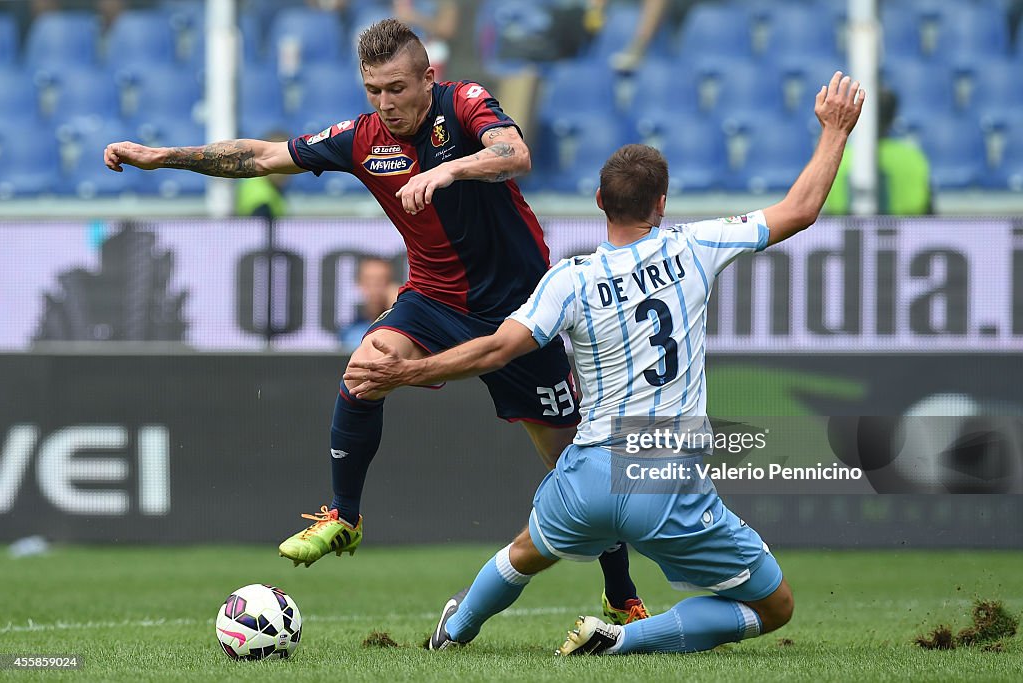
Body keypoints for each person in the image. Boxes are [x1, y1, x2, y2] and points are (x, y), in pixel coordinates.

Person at [103, 18, 645, 622]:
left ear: (426, 78)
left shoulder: (463, 106)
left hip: (522, 311)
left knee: (574, 462)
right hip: (435, 299)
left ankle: (621, 595)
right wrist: (161, 158)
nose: (386, 104)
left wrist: (448, 169)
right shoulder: (361, 139)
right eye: (374, 91)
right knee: (365, 370)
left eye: (397, 88)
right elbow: (260, 156)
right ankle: (345, 516)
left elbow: (513, 153)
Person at [344, 71, 864, 653]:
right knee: (774, 606)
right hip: (662, 475)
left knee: (523, 554)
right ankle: (623, 640)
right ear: (661, 205)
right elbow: (800, 209)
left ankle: (456, 629)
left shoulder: (568, 278)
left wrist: (410, 373)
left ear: (598, 202)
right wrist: (835, 130)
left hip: (589, 471)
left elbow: (494, 349)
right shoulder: (694, 246)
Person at [824, 87, 931, 216]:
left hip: (848, 234)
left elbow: (829, 214)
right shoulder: (913, 157)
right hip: (909, 234)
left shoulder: (837, 158)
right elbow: (929, 212)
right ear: (893, 117)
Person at [338, 257, 401, 350]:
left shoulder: (402, 325)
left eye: (381, 280)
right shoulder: (350, 332)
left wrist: (397, 308)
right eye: (369, 280)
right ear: (360, 283)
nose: (375, 287)